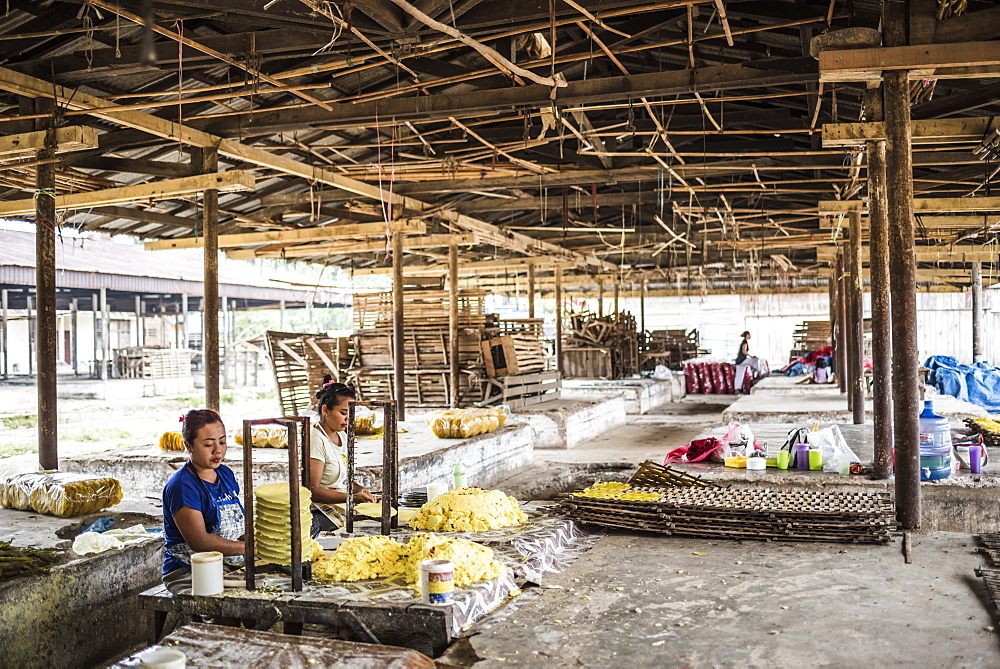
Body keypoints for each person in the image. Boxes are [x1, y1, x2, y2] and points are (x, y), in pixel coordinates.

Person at [161, 409, 245, 595]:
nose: (218, 450)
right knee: (228, 606)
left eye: (222, 442)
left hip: (227, 562)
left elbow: (237, 526)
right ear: (189, 446)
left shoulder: (225, 474)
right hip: (188, 568)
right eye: (208, 445)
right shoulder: (182, 485)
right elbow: (200, 541)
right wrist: (248, 548)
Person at [308, 380, 377, 537]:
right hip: (318, 510)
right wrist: (351, 498)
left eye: (351, 414)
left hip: (339, 504)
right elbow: (312, 491)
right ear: (325, 410)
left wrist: (362, 492)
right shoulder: (315, 439)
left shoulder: (342, 436)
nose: (348, 419)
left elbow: (345, 481)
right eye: (344, 413)